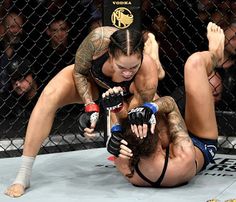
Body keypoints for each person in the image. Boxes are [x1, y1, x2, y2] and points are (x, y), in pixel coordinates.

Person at [4, 26, 164, 197]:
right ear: (110, 55)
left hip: (127, 96)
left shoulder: (146, 71)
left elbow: (137, 115)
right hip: (93, 82)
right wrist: (90, 105)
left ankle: (154, 52)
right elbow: (79, 72)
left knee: (147, 117)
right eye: (121, 67)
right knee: (49, 95)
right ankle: (23, 175)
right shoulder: (97, 40)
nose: (127, 73)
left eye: (133, 68)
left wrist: (118, 128)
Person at [106, 22, 223, 187]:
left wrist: (115, 132)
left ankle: (154, 68)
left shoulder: (125, 163)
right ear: (161, 139)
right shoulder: (183, 159)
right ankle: (217, 54)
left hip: (157, 140)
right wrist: (151, 108)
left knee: (135, 99)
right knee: (194, 63)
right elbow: (170, 104)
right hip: (199, 141)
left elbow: (114, 114)